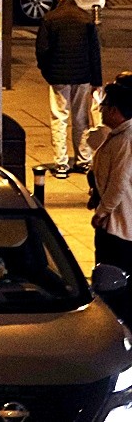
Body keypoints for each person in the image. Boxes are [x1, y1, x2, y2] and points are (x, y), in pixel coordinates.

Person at [36, 0, 101, 178]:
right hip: (82, 76)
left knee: (59, 118)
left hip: (58, 77)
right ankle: (83, 160)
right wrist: (96, 81)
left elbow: (42, 50)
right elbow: (94, 52)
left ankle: (61, 164)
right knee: (81, 119)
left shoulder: (50, 18)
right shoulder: (85, 18)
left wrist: (47, 72)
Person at [91, 78, 132, 313]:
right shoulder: (120, 134)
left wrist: (102, 212)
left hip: (119, 227)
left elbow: (119, 182)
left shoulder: (126, 140)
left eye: (104, 107)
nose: (100, 110)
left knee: (113, 277)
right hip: (118, 225)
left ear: (115, 111)